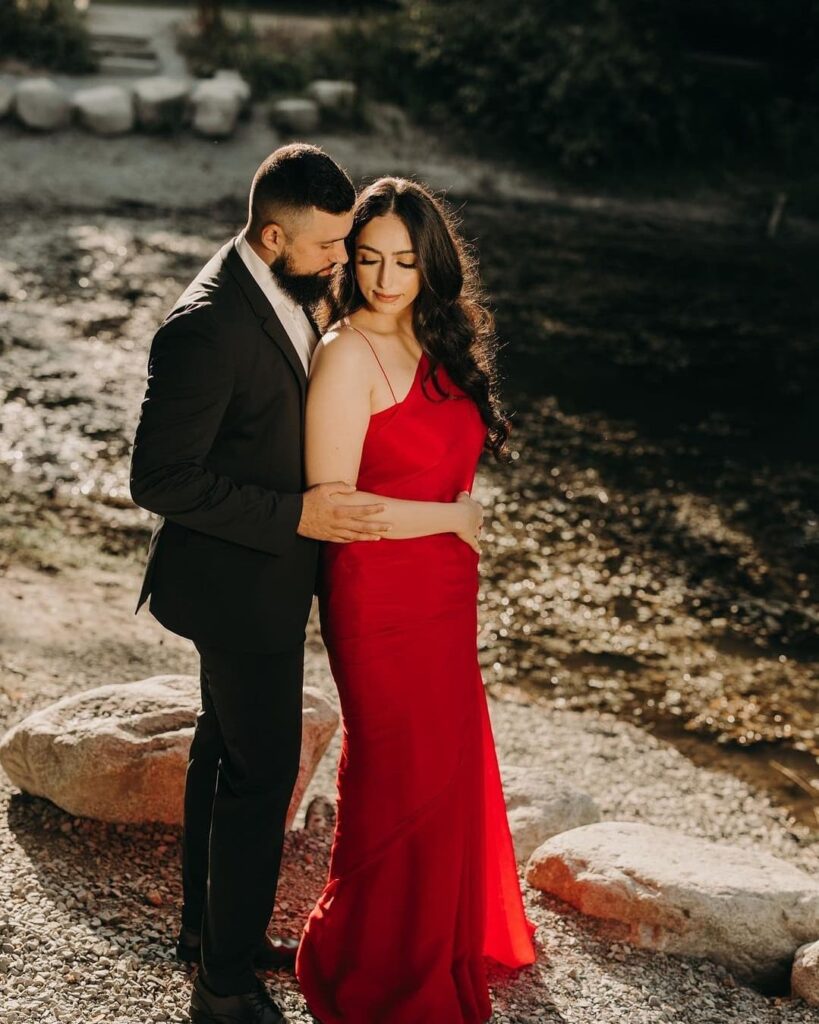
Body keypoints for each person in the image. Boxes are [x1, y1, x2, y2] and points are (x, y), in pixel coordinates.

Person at [130, 145, 482, 1024]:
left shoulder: (278, 289)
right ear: (275, 233)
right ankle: (224, 988)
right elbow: (158, 481)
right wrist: (299, 518)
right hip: (236, 582)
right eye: (333, 247)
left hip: (267, 578)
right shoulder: (206, 322)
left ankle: (211, 939)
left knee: (225, 758)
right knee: (261, 772)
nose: (343, 262)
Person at [295, 177, 537, 1024]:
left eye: (403, 260)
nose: (385, 278)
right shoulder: (344, 353)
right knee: (399, 779)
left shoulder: (437, 343)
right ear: (350, 262)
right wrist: (454, 515)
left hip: (443, 595)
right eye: (368, 259)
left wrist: (453, 519)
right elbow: (333, 504)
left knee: (445, 768)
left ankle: (437, 936)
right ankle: (375, 959)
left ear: (430, 264)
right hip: (378, 598)